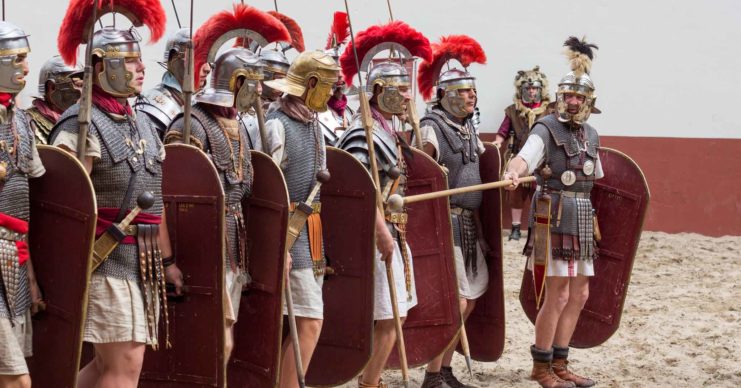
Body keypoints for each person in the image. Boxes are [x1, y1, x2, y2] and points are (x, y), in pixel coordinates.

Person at [52, 16, 183, 386]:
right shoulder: (81, 124)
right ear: (100, 66)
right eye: (129, 60)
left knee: (108, 365)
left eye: (138, 59)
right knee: (125, 364)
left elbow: (154, 202)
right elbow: (67, 208)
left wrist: (167, 260)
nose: (142, 67)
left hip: (142, 261)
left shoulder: (140, 121)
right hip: (105, 259)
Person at [503, 37, 601, 388]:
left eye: (578, 97)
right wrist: (513, 171)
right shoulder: (545, 127)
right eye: (567, 96)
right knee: (557, 293)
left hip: (583, 216)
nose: (572, 102)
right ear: (559, 97)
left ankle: (561, 363)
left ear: (588, 102)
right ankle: (541, 365)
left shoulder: (592, 134)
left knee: (580, 294)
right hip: (553, 214)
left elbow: (597, 179)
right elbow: (524, 156)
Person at [263, 50, 340, 388]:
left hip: (312, 232)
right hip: (290, 234)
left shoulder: (311, 121)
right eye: (327, 85)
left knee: (306, 320)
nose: (334, 92)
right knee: (309, 321)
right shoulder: (277, 125)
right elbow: (267, 191)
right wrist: (280, 243)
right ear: (311, 84)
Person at [417, 34, 488, 388]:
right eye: (461, 91)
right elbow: (420, 166)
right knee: (455, 303)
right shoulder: (432, 125)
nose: (469, 96)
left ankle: (444, 369)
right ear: (444, 94)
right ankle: (432, 374)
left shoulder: (468, 126)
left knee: (470, 301)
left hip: (470, 226)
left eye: (471, 90)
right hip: (446, 222)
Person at [0, 20, 45, 388]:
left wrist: (30, 276)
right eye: (15, 58)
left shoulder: (21, 122)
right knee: (17, 380)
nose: (25, 69)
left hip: (13, 258)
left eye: (25, 58)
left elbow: (23, 206)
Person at [494, 66, 551, 241]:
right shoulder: (513, 110)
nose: (532, 91)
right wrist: (497, 142)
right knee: (515, 193)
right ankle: (516, 228)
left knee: (540, 193)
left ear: (541, 89)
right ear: (521, 90)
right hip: (518, 158)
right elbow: (503, 131)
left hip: (542, 161)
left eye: (535, 88)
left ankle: (535, 228)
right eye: (528, 88)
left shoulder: (549, 111)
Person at [135, 28, 212, 139]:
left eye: (209, 60)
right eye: (199, 59)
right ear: (175, 58)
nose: (208, 68)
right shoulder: (152, 106)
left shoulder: (202, 104)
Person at [26, 55, 82, 144]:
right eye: (76, 84)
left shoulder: (84, 121)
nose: (81, 92)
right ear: (52, 87)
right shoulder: (26, 123)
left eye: (83, 85)